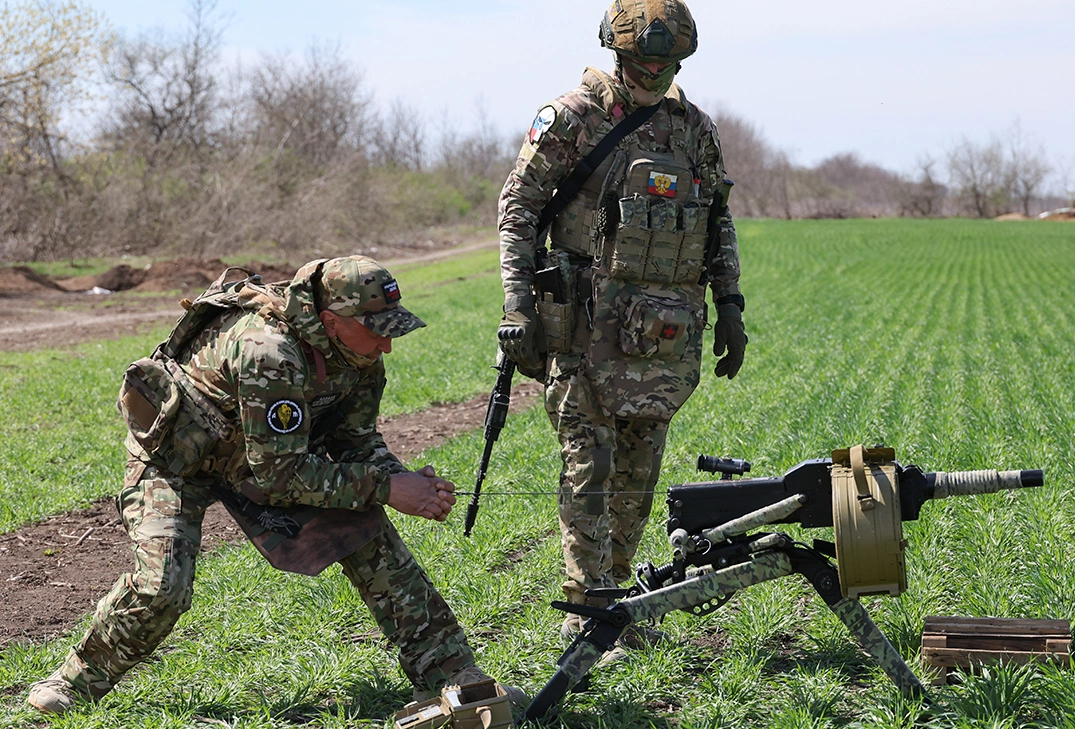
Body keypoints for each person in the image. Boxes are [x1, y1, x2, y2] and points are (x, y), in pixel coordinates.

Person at [27, 256, 521, 713]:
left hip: (258, 461)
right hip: (179, 460)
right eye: (375, 331)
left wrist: (399, 478)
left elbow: (355, 442)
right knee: (164, 585)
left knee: (368, 535)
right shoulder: (270, 352)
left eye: (391, 331)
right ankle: (74, 682)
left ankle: (452, 672)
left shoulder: (361, 358)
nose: (386, 343)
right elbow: (283, 477)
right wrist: (388, 489)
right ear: (331, 321)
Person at [496, 0, 746, 650]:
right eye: (642, 60)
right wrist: (517, 302)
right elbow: (518, 207)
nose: (655, 71)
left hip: (662, 333)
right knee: (589, 464)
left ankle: (618, 604)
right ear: (618, 52)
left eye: (667, 62)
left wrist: (732, 305)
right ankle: (587, 610)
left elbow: (717, 219)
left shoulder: (692, 130)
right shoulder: (573, 119)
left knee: (638, 469)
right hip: (581, 327)